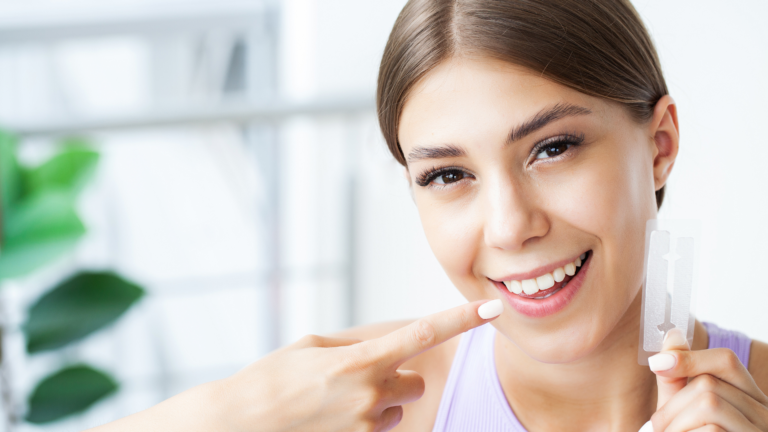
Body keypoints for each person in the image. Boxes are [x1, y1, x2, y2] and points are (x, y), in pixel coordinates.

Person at [90, 0, 768, 431]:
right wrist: (230, 415)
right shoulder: (369, 407)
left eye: (552, 148)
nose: (508, 227)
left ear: (659, 146)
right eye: (449, 175)